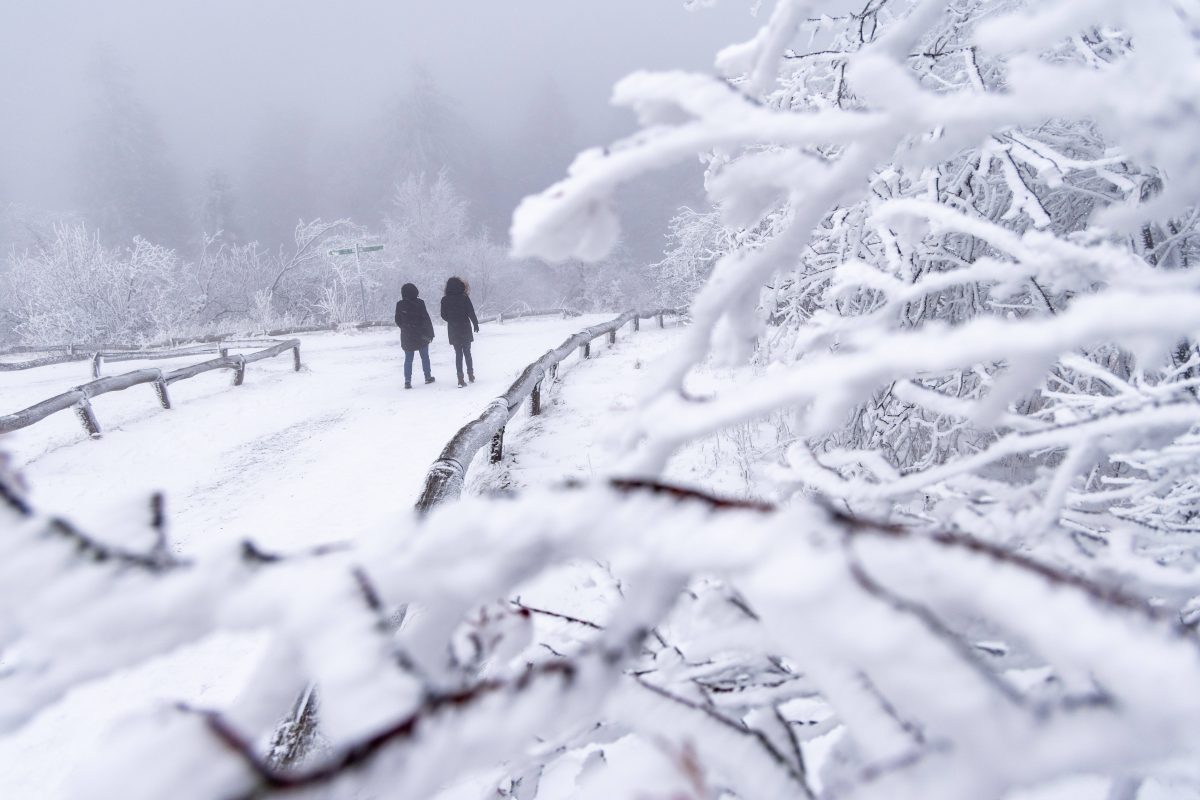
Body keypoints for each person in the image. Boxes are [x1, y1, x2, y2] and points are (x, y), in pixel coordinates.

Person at [440, 276, 479, 388]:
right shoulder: (464, 297)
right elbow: (471, 312)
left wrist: (451, 319)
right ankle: (471, 374)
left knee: (458, 354)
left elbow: (443, 315)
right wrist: (475, 324)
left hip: (453, 329)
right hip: (465, 327)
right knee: (467, 352)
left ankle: (460, 379)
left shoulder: (445, 300)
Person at [394, 283, 435, 389]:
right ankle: (427, 376)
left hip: (407, 335)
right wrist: (430, 333)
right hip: (421, 335)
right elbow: (426, 319)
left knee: (408, 359)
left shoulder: (400, 304)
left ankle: (407, 381)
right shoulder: (420, 303)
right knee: (425, 356)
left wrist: (405, 328)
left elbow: (397, 320)